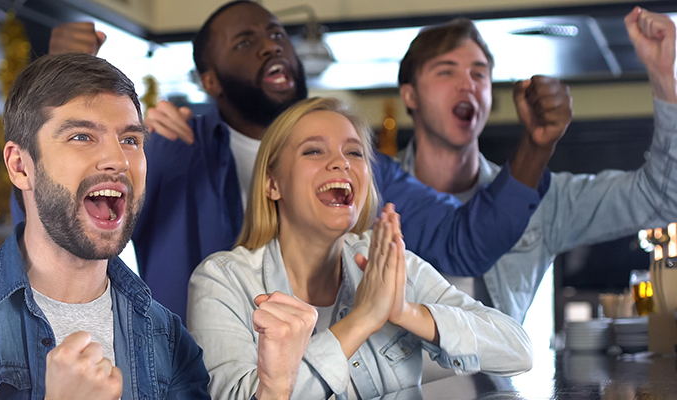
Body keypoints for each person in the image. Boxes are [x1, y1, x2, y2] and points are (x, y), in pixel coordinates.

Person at [39, 0, 563, 321]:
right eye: (246, 42)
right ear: (210, 81)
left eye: (277, 34)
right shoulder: (172, 150)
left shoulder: (354, 165)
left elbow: (465, 242)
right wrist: (57, 82)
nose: (271, 46)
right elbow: (57, 229)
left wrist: (535, 146)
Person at [0, 53, 210, 399]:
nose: (118, 160)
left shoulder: (171, 341)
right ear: (20, 166)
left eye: (130, 140)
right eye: (82, 136)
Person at [187, 97, 532, 400]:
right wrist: (364, 318)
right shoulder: (222, 281)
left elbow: (518, 350)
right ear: (272, 183)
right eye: (314, 150)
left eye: (354, 152)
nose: (343, 163)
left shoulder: (388, 264)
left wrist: (402, 312)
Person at [394, 8, 677, 323]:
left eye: (479, 73)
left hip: (493, 373)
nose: (467, 85)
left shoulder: (539, 201)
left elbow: (662, 198)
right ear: (410, 95)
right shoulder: (369, 193)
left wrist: (664, 73)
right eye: (446, 71)